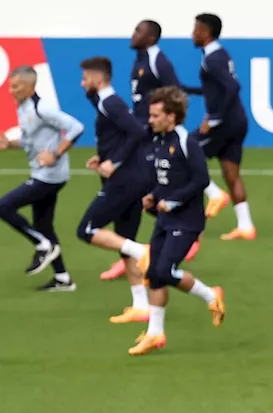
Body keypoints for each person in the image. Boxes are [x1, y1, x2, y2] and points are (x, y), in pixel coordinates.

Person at [129, 87, 227, 356]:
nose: (150, 120)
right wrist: (153, 196)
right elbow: (168, 180)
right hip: (164, 219)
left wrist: (171, 201)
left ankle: (211, 295)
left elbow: (200, 180)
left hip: (186, 221)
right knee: (155, 276)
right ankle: (155, 334)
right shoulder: (160, 140)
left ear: (171, 117)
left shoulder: (187, 142)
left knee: (163, 272)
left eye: (155, 115)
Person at [102, 18, 193, 282]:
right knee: (139, 187)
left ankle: (142, 248)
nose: (133, 34)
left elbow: (175, 92)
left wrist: (165, 125)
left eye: (138, 31)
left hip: (148, 134)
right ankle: (129, 253)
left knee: (140, 184)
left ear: (151, 37)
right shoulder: (141, 59)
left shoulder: (157, 60)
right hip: (142, 131)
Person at [74, 56, 155, 323]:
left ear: (98, 79)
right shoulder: (105, 103)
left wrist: (115, 161)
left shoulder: (111, 102)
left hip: (125, 181)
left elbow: (137, 132)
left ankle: (144, 252)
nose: (82, 82)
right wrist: (105, 156)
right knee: (125, 243)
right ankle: (141, 306)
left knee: (86, 230)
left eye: (85, 78)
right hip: (131, 179)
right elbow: (121, 135)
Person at [0, 66, 84, 291]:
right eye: (10, 86)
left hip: (50, 176)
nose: (11, 90)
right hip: (42, 173)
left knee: (3, 207)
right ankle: (63, 279)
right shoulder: (23, 108)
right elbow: (30, 141)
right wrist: (9, 144)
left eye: (16, 86)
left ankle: (43, 245)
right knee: (43, 224)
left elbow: (76, 127)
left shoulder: (42, 108)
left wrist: (55, 154)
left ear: (30, 86)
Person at [185, 13, 255, 240]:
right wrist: (187, 90)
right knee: (231, 173)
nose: (192, 34)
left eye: (196, 29)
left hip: (224, 123)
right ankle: (246, 227)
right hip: (237, 121)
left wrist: (213, 118)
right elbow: (217, 87)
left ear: (205, 32)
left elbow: (232, 87)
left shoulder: (212, 59)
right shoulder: (220, 54)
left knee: (185, 152)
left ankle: (214, 195)